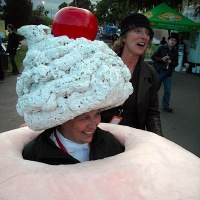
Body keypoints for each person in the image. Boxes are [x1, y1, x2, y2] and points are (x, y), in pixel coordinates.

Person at [17, 25, 133, 165]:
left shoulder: (110, 145)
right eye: (84, 117)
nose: (93, 124)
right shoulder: (35, 155)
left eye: (96, 114)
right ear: (63, 118)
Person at [101, 13, 163, 136]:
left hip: (130, 142)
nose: (144, 37)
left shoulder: (150, 74)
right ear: (124, 37)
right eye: (137, 31)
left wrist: (159, 142)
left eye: (147, 33)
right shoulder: (102, 66)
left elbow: (152, 114)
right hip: (98, 137)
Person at [151, 33, 179, 113]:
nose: (173, 42)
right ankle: (151, 104)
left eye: (175, 41)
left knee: (168, 90)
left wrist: (171, 62)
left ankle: (166, 106)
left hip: (168, 73)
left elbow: (176, 63)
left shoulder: (175, 52)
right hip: (159, 71)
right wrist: (161, 59)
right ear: (168, 40)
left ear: (176, 42)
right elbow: (153, 57)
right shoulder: (161, 48)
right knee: (155, 89)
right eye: (171, 40)